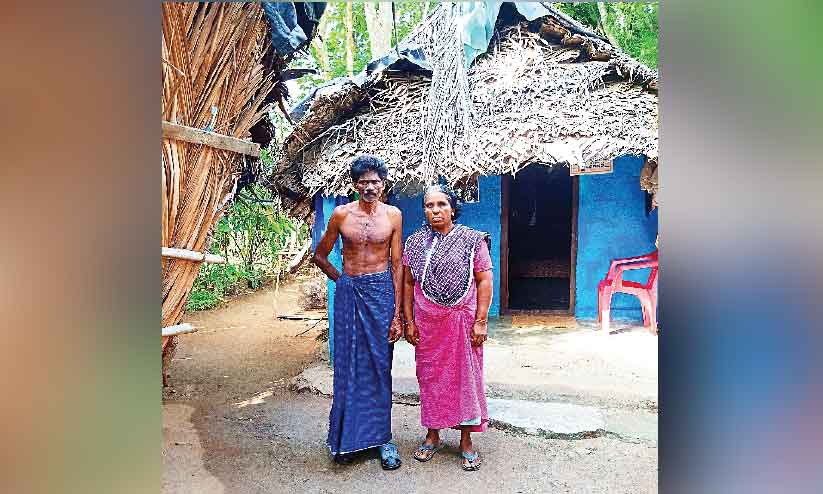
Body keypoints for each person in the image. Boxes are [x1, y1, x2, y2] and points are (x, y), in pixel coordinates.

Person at [312, 154, 405, 470]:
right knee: (349, 365)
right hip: (351, 292)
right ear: (354, 185)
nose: (369, 187)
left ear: (383, 184)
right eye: (363, 182)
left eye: (375, 181)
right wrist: (344, 282)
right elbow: (321, 255)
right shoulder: (341, 215)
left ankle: (383, 439)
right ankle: (348, 440)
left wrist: (397, 315)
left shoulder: (394, 216)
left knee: (380, 367)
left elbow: (396, 265)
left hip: (381, 294)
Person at [402, 183, 493, 472]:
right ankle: (433, 435)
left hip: (463, 323)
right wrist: (409, 320)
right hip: (428, 324)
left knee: (465, 378)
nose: (435, 210)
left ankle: (466, 441)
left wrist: (481, 321)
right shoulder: (415, 243)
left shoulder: (471, 240)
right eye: (429, 206)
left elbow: (484, 280)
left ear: (453, 208)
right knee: (430, 378)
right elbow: (407, 283)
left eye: (441, 204)